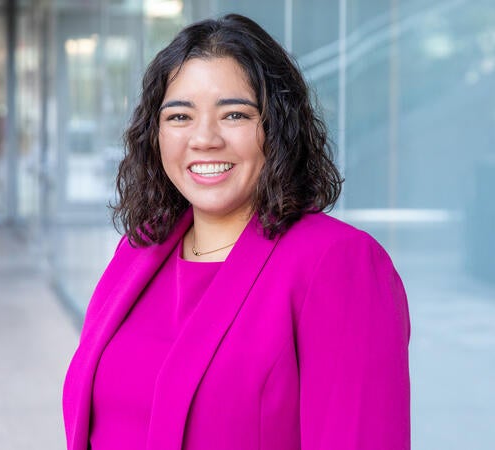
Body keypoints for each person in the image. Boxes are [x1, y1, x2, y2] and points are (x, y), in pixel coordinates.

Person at [63, 13, 410, 450]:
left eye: (234, 114)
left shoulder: (339, 263)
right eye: (179, 117)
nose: (204, 138)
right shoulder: (140, 248)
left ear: (277, 128)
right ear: (155, 135)